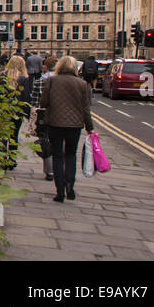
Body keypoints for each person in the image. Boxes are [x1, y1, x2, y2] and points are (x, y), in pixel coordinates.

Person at [40, 55, 95, 202]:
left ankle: (60, 192)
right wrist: (90, 128)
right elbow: (86, 109)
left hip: (55, 123)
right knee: (71, 155)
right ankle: (70, 186)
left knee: (57, 156)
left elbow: (43, 102)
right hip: (75, 126)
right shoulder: (82, 84)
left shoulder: (51, 81)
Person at [3, 55, 33, 170]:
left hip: (4, 110)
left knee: (3, 135)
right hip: (17, 111)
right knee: (14, 136)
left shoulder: (3, 76)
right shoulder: (24, 79)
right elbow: (26, 97)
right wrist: (27, 114)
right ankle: (11, 160)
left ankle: (1, 158)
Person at [37, 56, 56, 179]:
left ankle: (49, 171)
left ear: (46, 66)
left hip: (44, 114)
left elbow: (36, 100)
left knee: (45, 142)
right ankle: (57, 169)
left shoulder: (41, 80)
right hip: (58, 115)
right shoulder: (61, 80)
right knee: (56, 143)